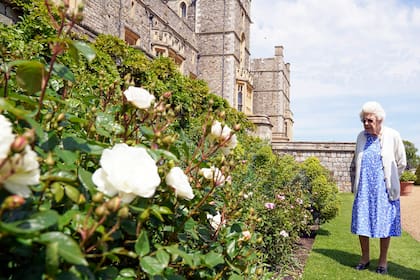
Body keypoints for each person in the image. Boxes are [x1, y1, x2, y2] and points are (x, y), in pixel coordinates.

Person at [350, 101, 406, 274]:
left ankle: (383, 261)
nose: (366, 124)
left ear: (379, 120)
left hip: (384, 191)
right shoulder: (361, 137)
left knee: (384, 226)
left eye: (370, 121)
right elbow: (356, 162)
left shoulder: (393, 135)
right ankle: (365, 258)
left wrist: (392, 180)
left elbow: (401, 162)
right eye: (364, 121)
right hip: (365, 189)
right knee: (362, 224)